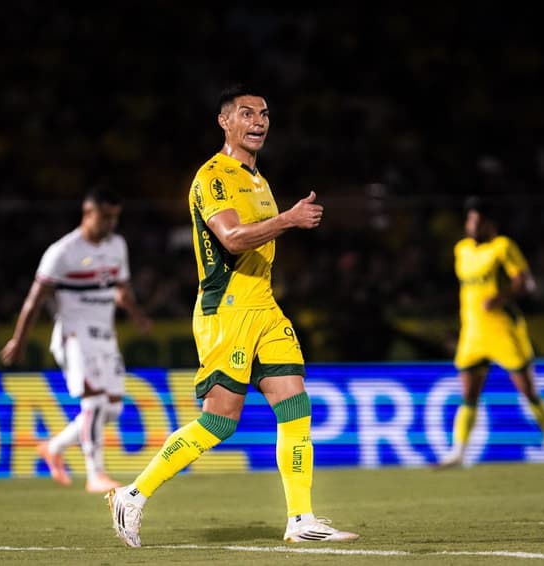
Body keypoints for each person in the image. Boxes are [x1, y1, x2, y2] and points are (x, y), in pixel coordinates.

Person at [107, 84, 359, 547]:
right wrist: (287, 220)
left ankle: (300, 519)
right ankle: (133, 494)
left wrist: (283, 219)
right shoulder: (214, 177)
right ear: (225, 122)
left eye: (264, 114)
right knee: (220, 422)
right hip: (227, 309)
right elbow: (233, 239)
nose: (259, 121)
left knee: (295, 405)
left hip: (264, 305)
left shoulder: (259, 180)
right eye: (247, 114)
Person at [0, 187, 152, 493]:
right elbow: (34, 301)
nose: (110, 224)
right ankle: (95, 474)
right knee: (94, 402)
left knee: (111, 410)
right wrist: (19, 340)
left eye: (115, 218)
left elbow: (121, 288)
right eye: (105, 217)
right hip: (75, 336)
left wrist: (136, 314)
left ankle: (53, 448)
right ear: (88, 213)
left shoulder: (117, 245)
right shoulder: (62, 252)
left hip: (106, 336)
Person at [437, 196, 544, 468]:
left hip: (504, 331)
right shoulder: (461, 250)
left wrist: (500, 298)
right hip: (473, 332)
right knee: (469, 395)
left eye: (477, 220)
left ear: (490, 225)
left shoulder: (503, 247)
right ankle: (459, 452)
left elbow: (527, 283)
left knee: (529, 391)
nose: (472, 225)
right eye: (469, 219)